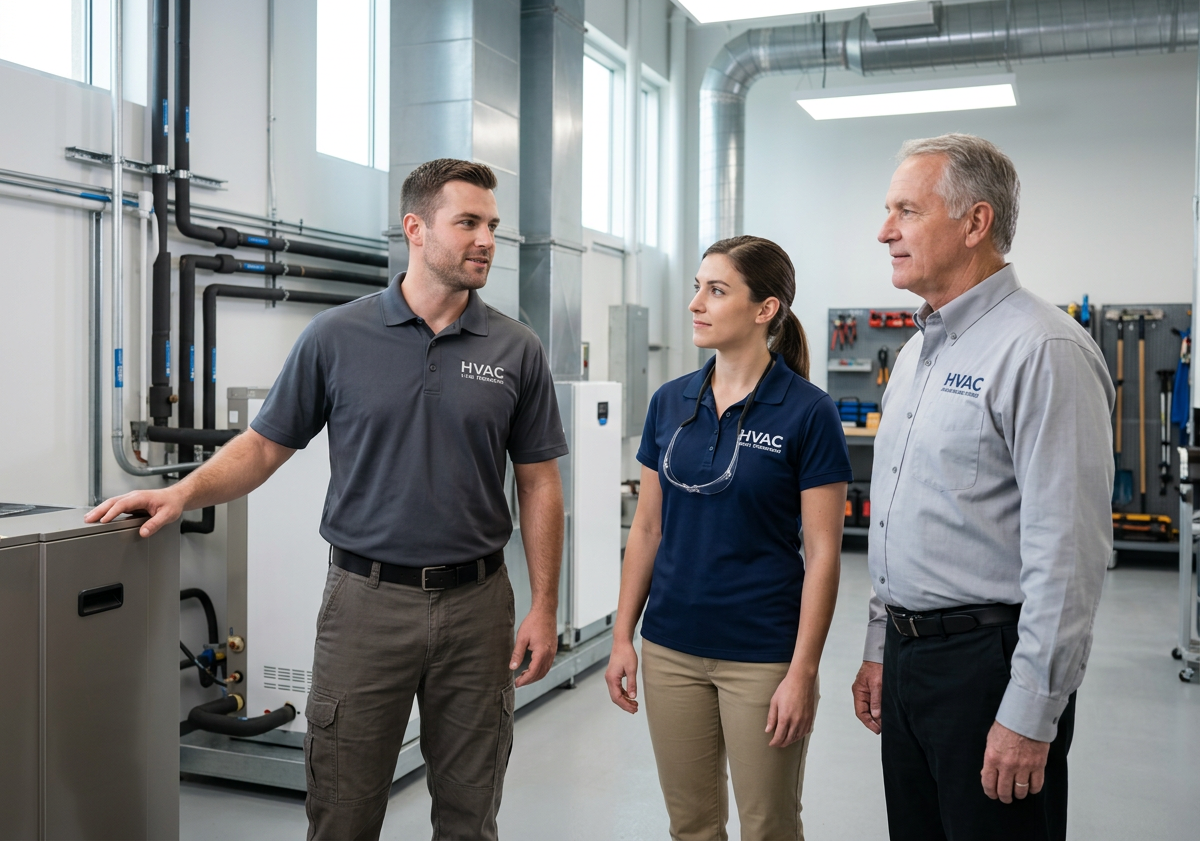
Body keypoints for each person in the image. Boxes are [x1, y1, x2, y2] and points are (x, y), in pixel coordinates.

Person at [87, 158, 569, 841]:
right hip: (365, 602)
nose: (486, 239)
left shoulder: (516, 349)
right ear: (416, 228)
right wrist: (180, 492)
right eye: (468, 223)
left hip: (478, 604)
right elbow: (262, 446)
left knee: (470, 813)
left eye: (492, 225)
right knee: (343, 807)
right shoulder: (337, 337)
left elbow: (539, 480)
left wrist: (545, 605)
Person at [850, 134, 1114, 841]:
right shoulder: (915, 355)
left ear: (976, 223)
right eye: (887, 211)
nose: (885, 231)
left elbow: (1069, 556)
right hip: (910, 663)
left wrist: (1031, 712)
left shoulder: (1044, 350)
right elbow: (901, 513)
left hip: (986, 669)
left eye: (906, 210)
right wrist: (882, 647)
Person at [605, 236, 851, 841]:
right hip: (670, 649)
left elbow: (822, 555)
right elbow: (648, 528)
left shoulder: (807, 412)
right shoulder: (671, 402)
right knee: (690, 824)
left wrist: (802, 672)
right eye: (696, 287)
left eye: (716, 290)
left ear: (765, 309)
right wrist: (621, 638)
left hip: (763, 654)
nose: (696, 303)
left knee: (768, 825)